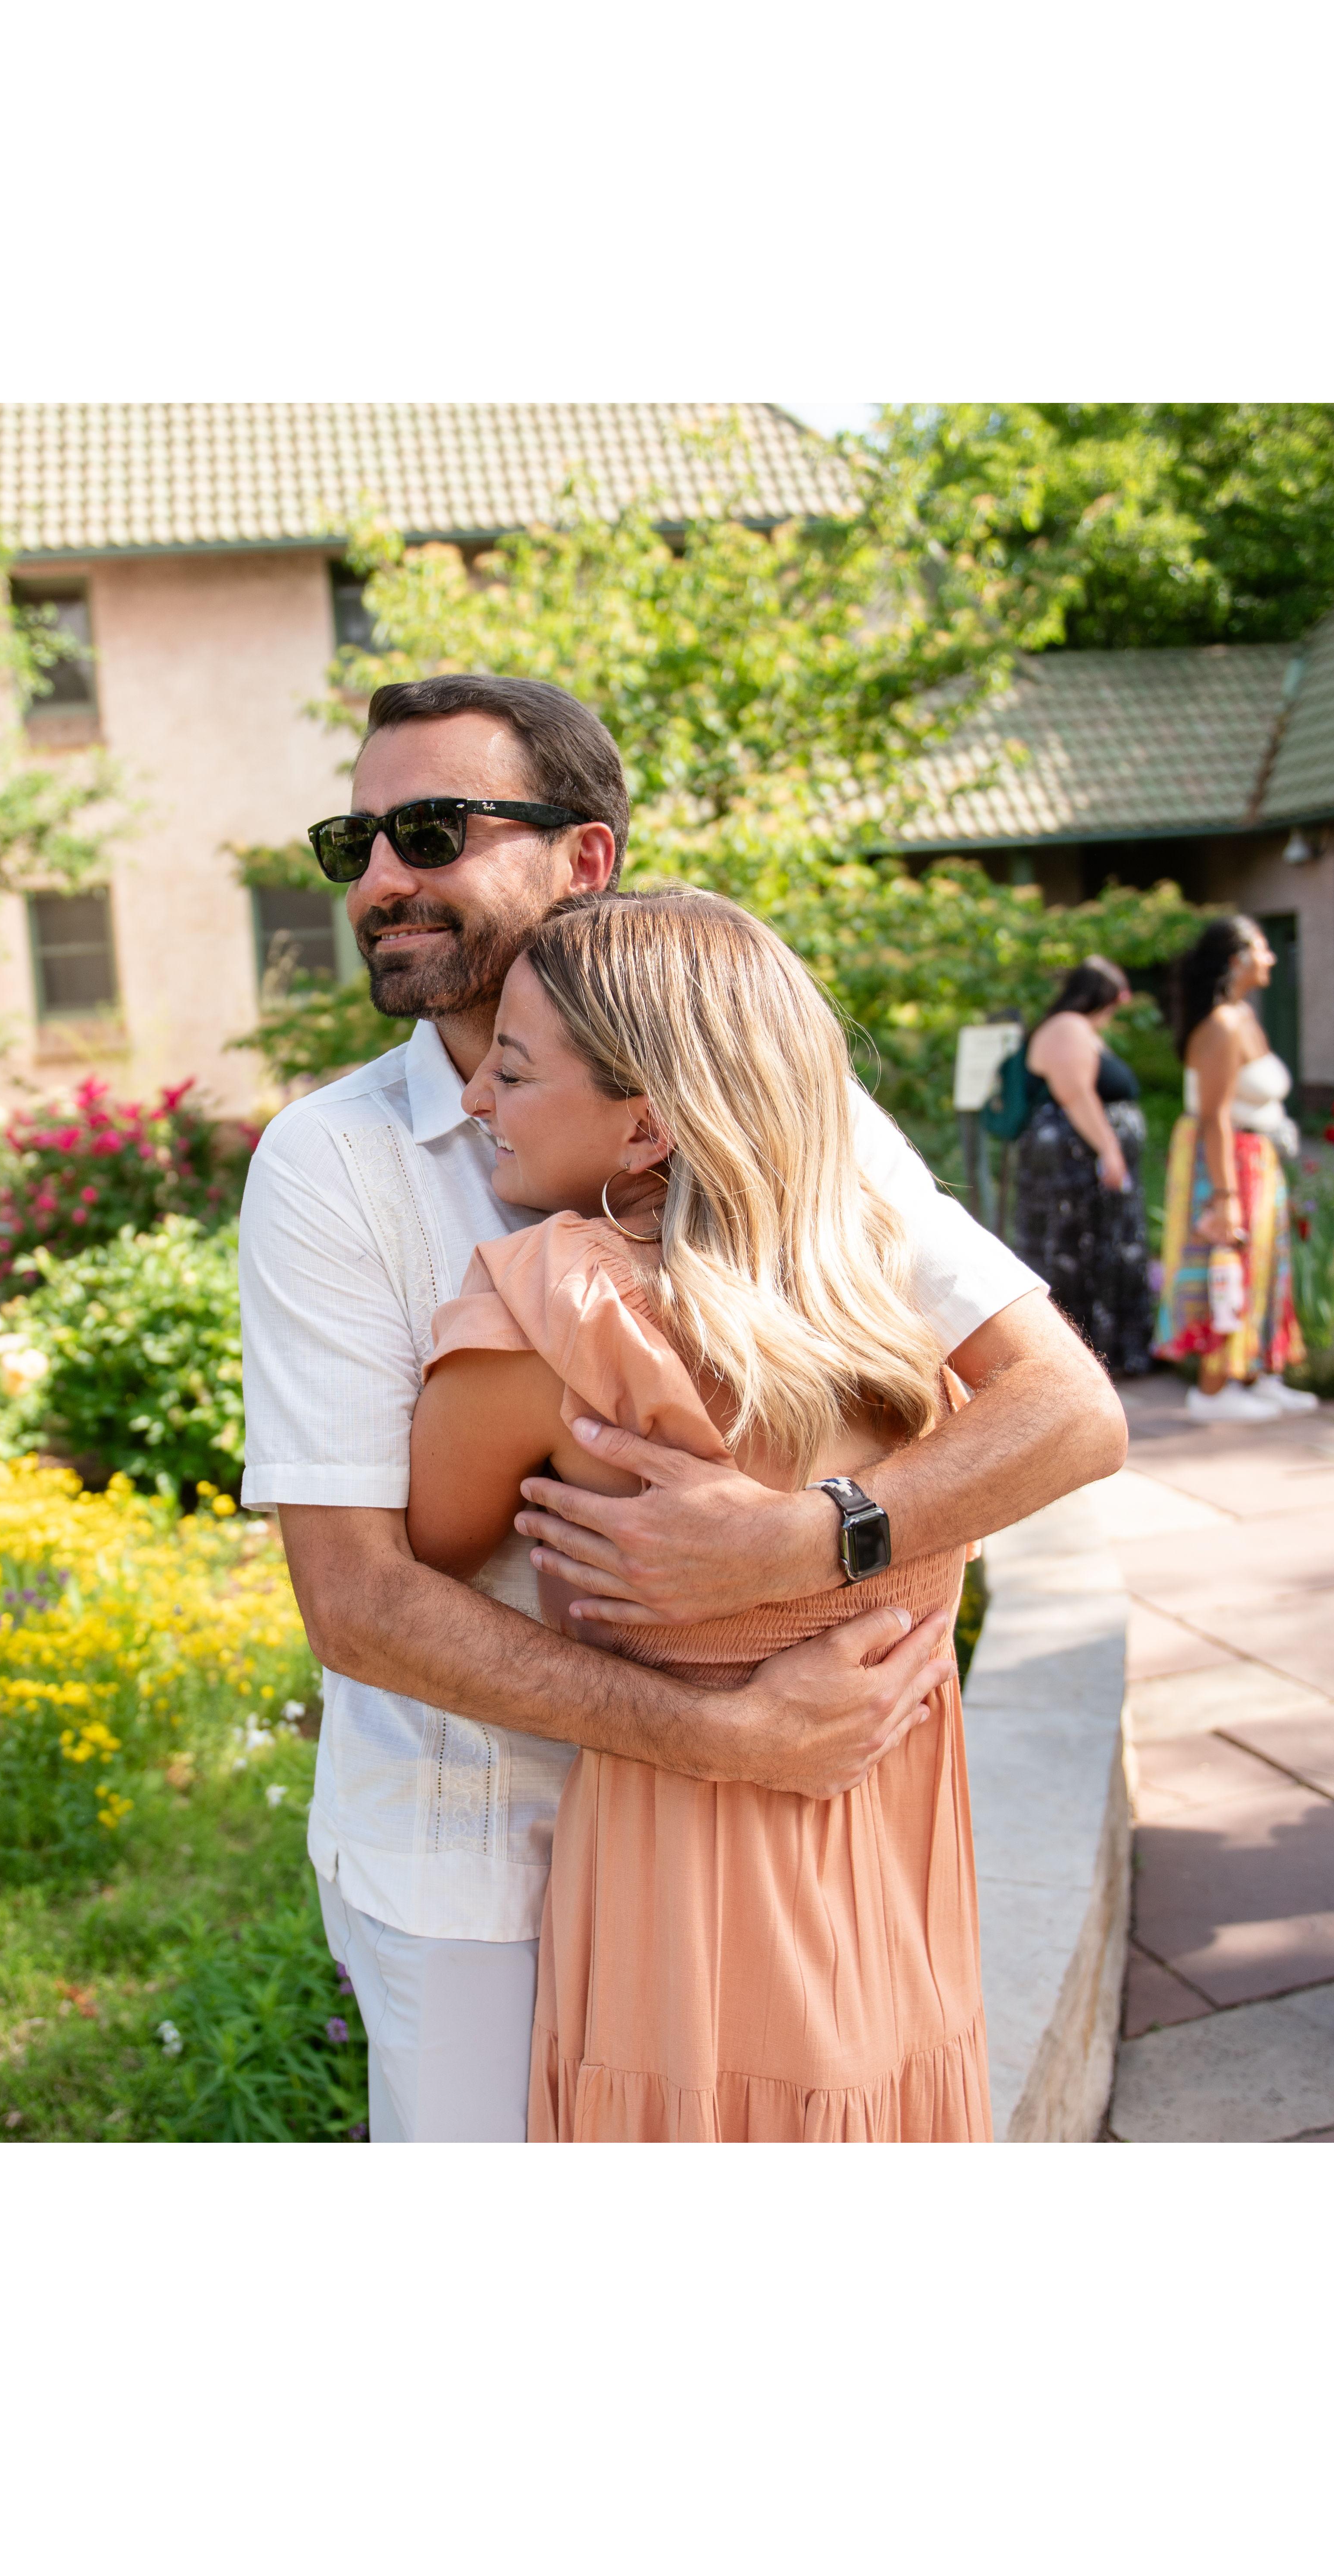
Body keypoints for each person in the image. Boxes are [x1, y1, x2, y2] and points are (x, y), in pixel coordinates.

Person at [236, 673, 1128, 2142]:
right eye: (358, 842)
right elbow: (359, 1601)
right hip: (479, 1873)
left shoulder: (778, 1108)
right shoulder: (330, 1165)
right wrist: (729, 1734)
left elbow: (1066, 1410)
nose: (380, 877)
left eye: (431, 831)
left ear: (584, 857)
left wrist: (804, 1539)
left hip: (799, 1842)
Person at [408, 890, 988, 2139]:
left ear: (645, 1126)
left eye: (512, 1069)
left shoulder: (555, 1328)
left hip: (690, 1907)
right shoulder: (896, 1304)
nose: (475, 1097)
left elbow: (431, 1548)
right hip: (895, 1884)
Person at [1152, 916, 1311, 1422]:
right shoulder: (1220, 1025)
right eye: (1263, 948)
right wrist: (1224, 1197)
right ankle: (1214, 1388)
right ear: (1237, 960)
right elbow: (1214, 1116)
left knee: (1266, 1265)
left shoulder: (1241, 1016)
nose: (1272, 958)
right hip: (1226, 1161)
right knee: (1227, 1263)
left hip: (1255, 1157)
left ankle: (1258, 1373)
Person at [1010, 957, 1153, 1376]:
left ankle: (1110, 1351)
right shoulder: (1067, 1027)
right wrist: (1110, 1149)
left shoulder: (1078, 1028)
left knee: (1096, 1252)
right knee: (1073, 1252)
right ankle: (1076, 1358)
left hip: (1082, 1167)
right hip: (1072, 1169)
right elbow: (1075, 1093)